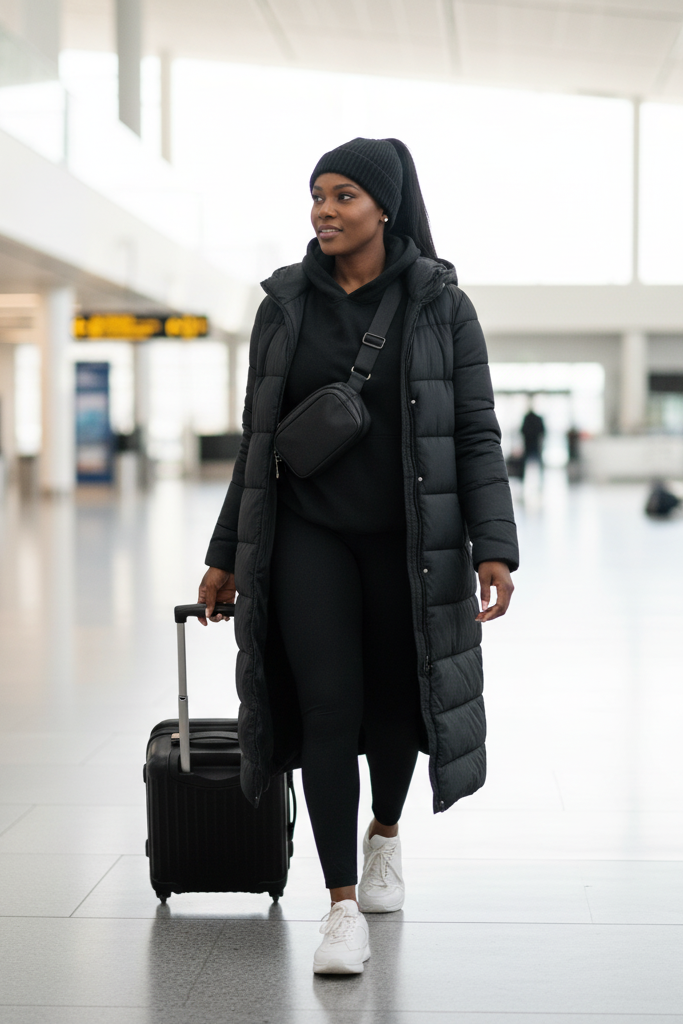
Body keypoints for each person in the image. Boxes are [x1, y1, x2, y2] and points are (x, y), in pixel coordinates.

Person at [198, 138, 519, 975]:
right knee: (331, 705)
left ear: (384, 206)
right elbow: (257, 441)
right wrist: (227, 551)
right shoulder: (283, 305)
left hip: (410, 538)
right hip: (307, 533)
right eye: (315, 196)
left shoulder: (441, 305)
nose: (324, 211)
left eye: (343, 195)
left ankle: (384, 833)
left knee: (392, 708)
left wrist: (495, 545)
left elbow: (476, 433)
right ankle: (340, 907)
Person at [520, 402, 545, 477]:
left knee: (526, 462)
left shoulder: (527, 418)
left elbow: (522, 430)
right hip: (534, 444)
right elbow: (542, 431)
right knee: (538, 462)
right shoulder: (537, 419)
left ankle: (523, 478)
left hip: (529, 444)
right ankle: (541, 478)